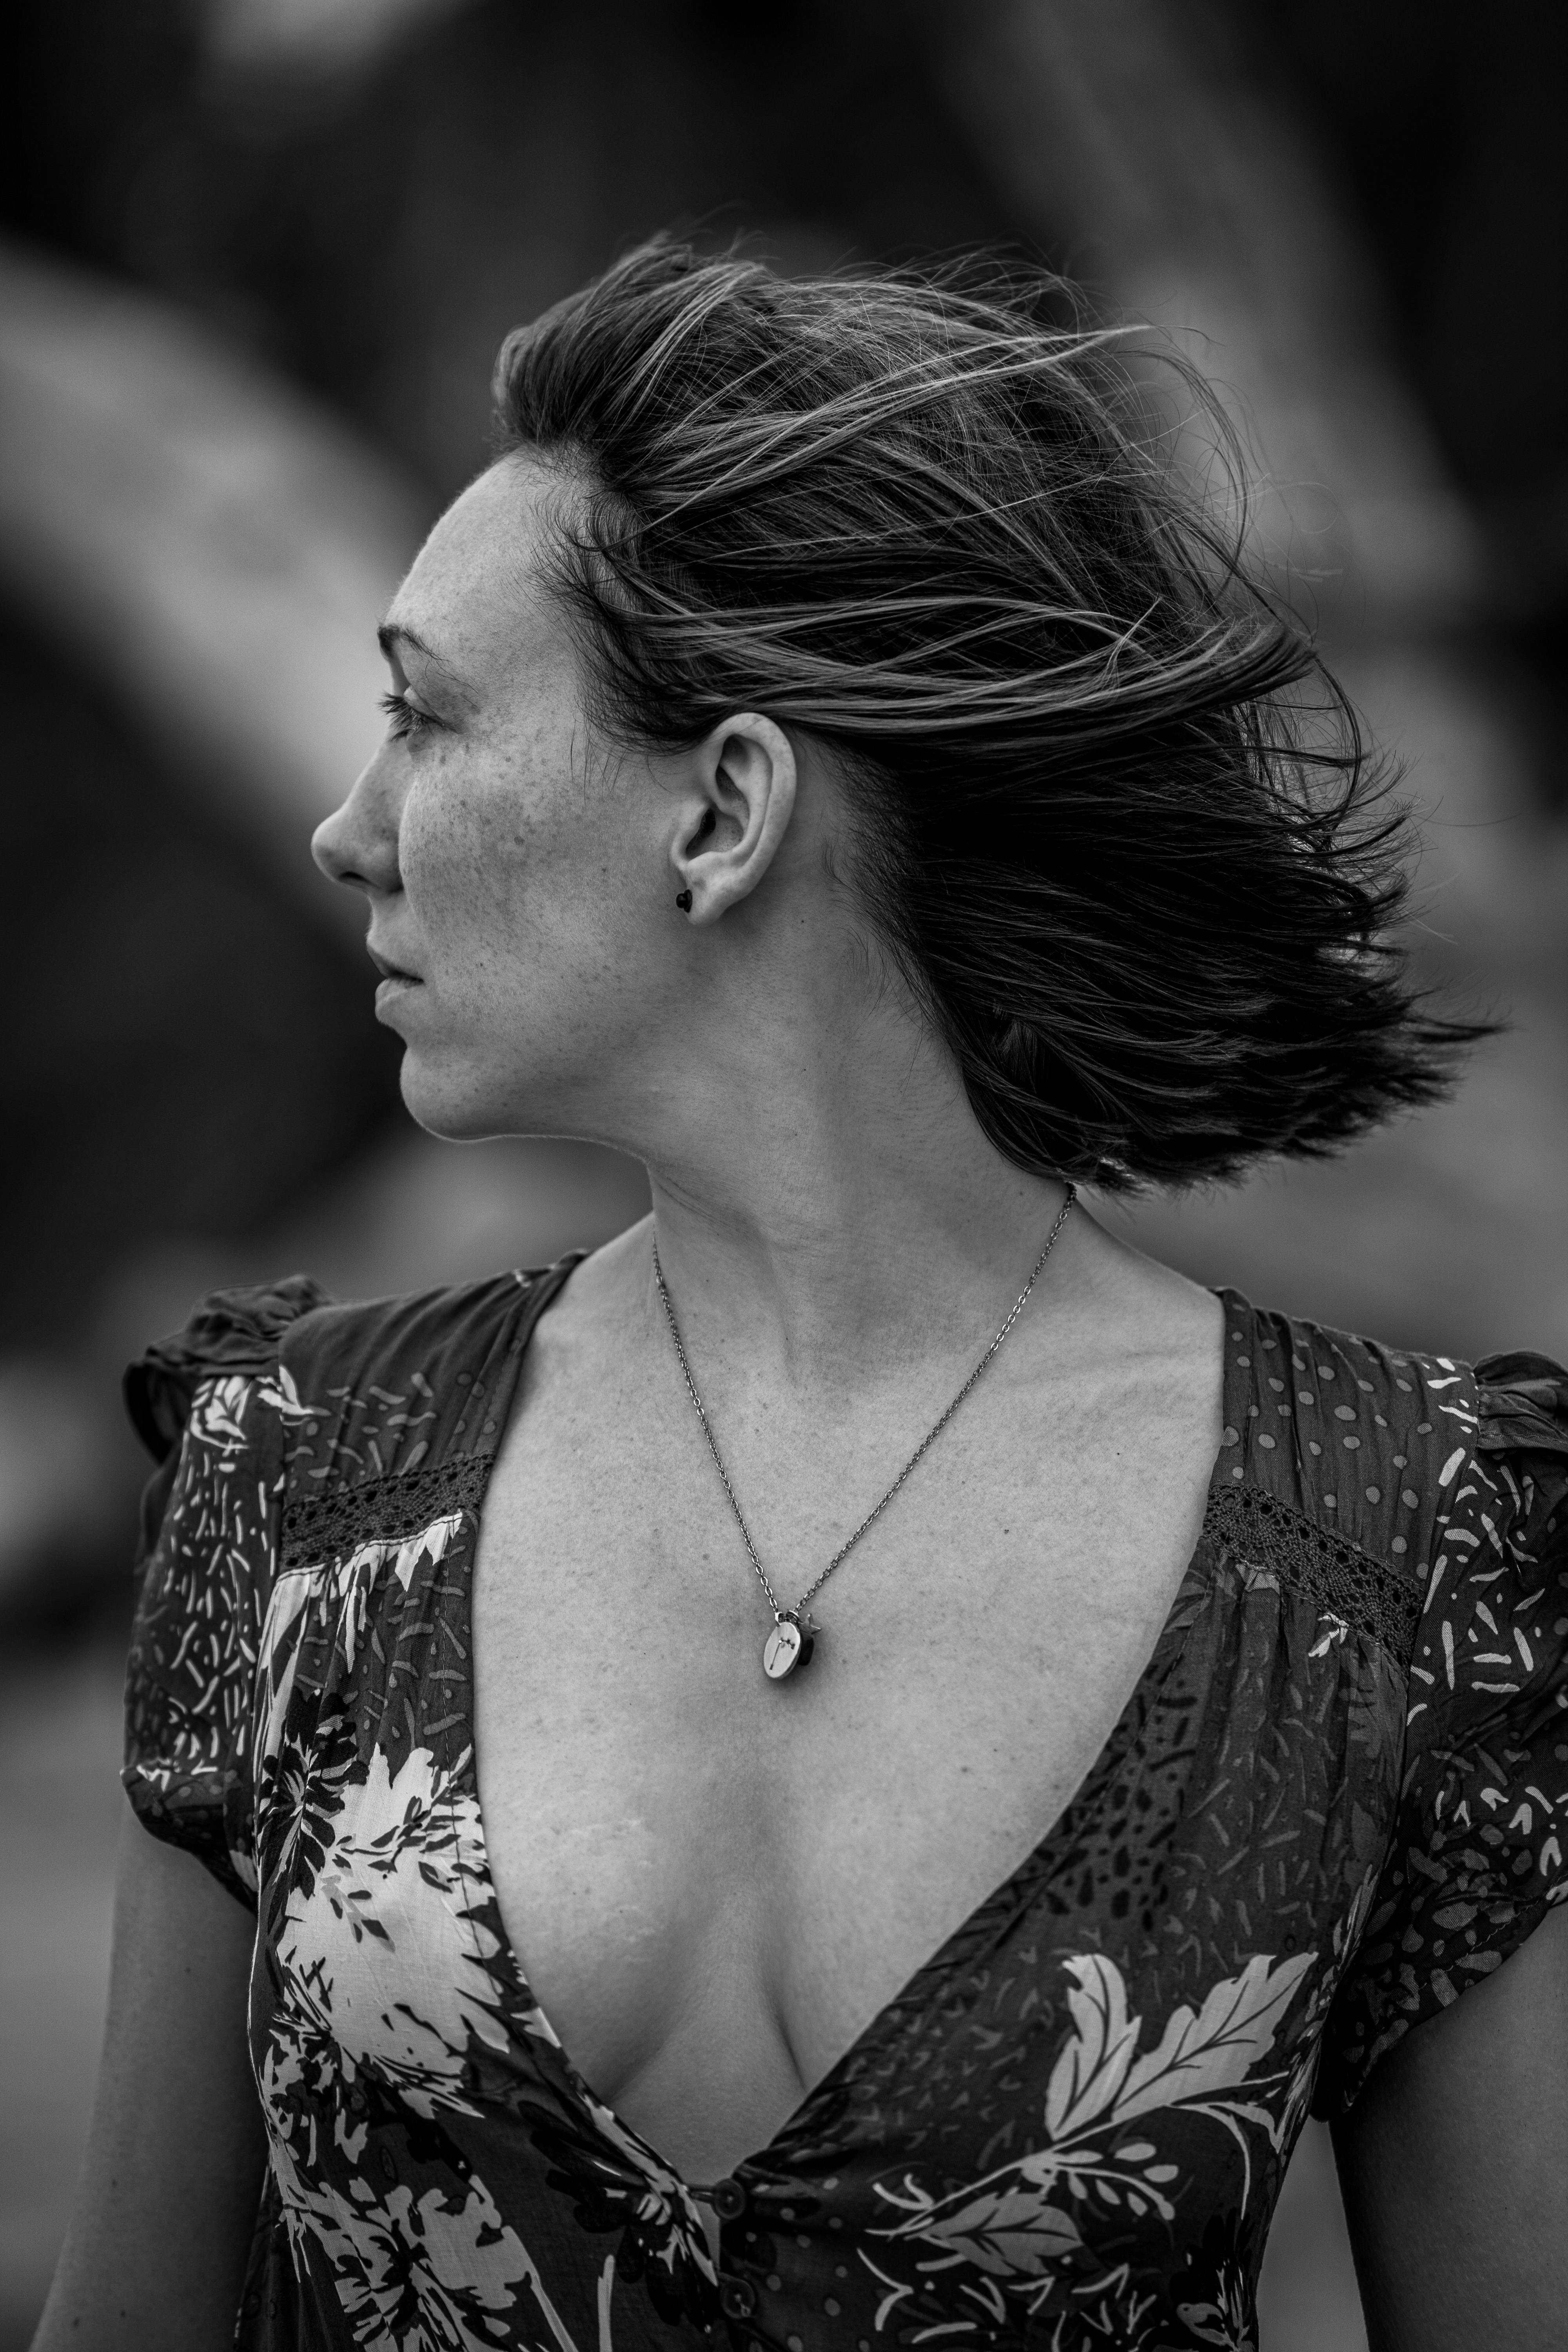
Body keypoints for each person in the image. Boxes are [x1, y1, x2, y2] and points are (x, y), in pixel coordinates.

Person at [35, 243, 1568, 2352]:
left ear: (726, 808)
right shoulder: (295, 1479)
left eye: (427, 714)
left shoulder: (1407, 1550)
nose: (344, 826)